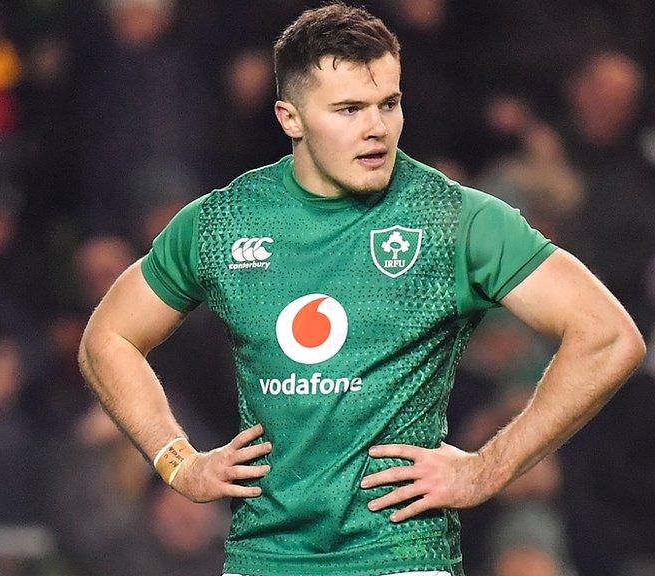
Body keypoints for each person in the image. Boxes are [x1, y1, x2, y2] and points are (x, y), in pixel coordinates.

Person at [77, 4, 646, 576]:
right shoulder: (223, 222)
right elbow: (107, 339)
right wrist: (178, 462)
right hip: (264, 561)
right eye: (349, 109)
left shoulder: (452, 219)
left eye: (389, 103)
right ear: (290, 118)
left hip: (400, 559)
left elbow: (607, 337)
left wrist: (488, 468)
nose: (377, 127)